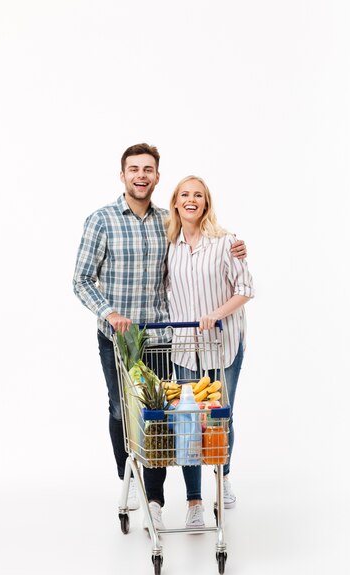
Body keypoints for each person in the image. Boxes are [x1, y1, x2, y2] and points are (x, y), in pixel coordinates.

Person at [73, 143, 247, 530]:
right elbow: (81, 279)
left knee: (162, 415)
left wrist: (237, 246)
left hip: (163, 337)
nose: (141, 175)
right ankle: (130, 476)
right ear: (123, 175)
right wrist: (111, 313)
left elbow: (203, 234)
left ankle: (160, 498)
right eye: (134, 169)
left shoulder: (167, 220)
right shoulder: (101, 220)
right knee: (123, 409)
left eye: (148, 169)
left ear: (156, 176)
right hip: (121, 338)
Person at [166, 175, 254, 528]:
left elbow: (246, 288)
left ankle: (224, 476)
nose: (191, 200)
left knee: (221, 417)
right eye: (184, 194)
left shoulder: (225, 242)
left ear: (206, 203)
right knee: (188, 423)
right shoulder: (167, 244)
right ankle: (194, 501)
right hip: (185, 349)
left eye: (198, 195)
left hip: (224, 342)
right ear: (175, 202)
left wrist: (215, 315)